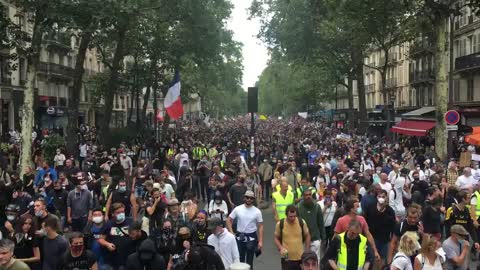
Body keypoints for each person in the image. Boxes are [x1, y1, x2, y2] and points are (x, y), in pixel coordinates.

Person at [226, 190, 264, 269]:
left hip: (252, 236)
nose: (249, 199)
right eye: (247, 197)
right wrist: (232, 233)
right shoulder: (238, 209)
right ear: (244, 198)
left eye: (251, 198)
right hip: (240, 235)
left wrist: (260, 241)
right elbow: (229, 220)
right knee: (240, 258)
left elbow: (260, 226)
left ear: (253, 200)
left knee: (250, 260)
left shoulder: (257, 211)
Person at [274, 205, 311, 270]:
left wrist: (307, 249)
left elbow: (307, 235)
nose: (293, 218)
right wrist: (281, 248)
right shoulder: (280, 224)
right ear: (286, 215)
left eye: (294, 216)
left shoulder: (301, 222)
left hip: (300, 258)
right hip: (286, 258)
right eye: (290, 216)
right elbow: (276, 238)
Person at [363, 189, 396, 263]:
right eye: (379, 196)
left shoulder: (390, 211)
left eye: (383, 196)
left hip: (385, 240)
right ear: (376, 197)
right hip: (372, 239)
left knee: (382, 260)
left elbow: (393, 227)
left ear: (386, 198)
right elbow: (365, 221)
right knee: (372, 260)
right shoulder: (370, 207)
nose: (381, 198)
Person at [98, 202, 132, 270]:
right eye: (118, 212)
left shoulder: (130, 222)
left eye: (122, 211)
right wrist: (107, 244)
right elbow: (100, 239)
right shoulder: (108, 224)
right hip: (112, 258)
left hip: (127, 257)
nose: (121, 214)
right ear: (113, 214)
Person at [297, 188, 325, 261]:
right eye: (306, 195)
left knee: (315, 260)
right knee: (303, 260)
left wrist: (323, 238)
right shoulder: (298, 207)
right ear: (303, 196)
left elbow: (321, 223)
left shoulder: (317, 206)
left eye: (309, 195)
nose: (308, 197)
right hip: (302, 240)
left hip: (315, 238)